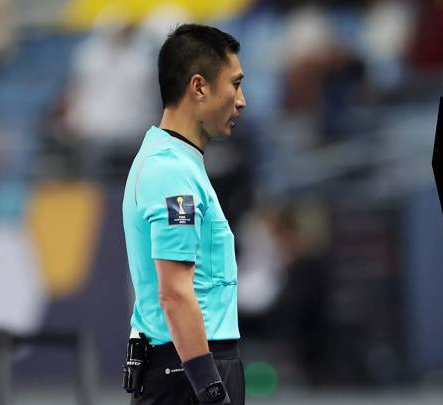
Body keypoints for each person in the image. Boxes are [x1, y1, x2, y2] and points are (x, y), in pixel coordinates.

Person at [122, 23, 246, 404]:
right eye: (236, 84)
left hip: (188, 369)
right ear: (199, 87)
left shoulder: (178, 164)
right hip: (189, 374)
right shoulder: (170, 171)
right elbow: (175, 294)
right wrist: (211, 391)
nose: (241, 100)